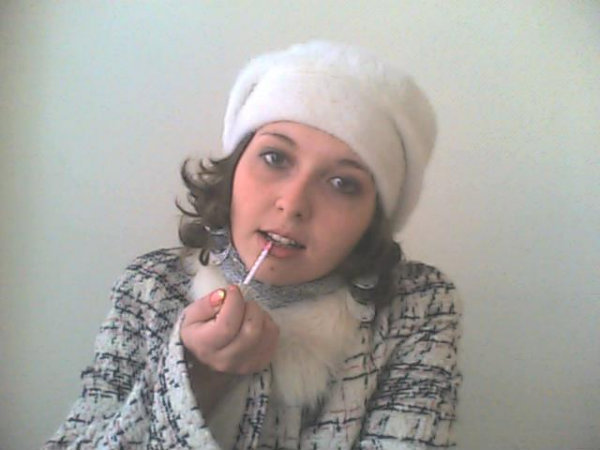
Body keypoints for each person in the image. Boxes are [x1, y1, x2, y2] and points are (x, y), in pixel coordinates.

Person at [45, 41, 462, 450]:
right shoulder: (150, 287)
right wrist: (199, 378)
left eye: (342, 183)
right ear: (235, 166)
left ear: (373, 217)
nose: (293, 204)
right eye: (275, 158)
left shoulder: (417, 306)